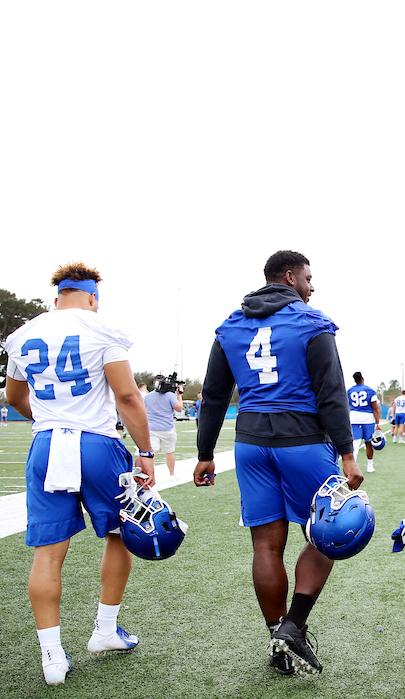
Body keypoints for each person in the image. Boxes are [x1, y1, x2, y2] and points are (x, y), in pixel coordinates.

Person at [195, 249, 361, 676]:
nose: (312, 286)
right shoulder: (311, 322)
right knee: (328, 535)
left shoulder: (230, 326)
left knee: (265, 545)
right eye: (308, 277)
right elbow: (331, 393)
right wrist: (346, 451)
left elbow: (214, 396)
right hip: (302, 440)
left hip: (250, 443)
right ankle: (293, 627)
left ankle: (277, 640)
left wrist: (205, 455)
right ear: (290, 277)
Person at [3, 262, 156, 685]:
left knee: (48, 552)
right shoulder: (102, 329)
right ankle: (105, 631)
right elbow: (126, 394)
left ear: (56, 298)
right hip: (97, 443)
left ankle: (51, 657)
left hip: (47, 443)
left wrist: (52, 420)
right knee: (119, 533)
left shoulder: (23, 334)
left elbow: (15, 397)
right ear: (93, 297)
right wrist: (145, 451)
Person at [144, 376, 184, 479]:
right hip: (167, 428)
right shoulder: (169, 395)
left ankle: (149, 474)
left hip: (151, 428)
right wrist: (179, 396)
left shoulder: (148, 396)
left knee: (152, 452)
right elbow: (179, 408)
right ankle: (172, 474)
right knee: (169, 452)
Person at [347, 372, 381, 473]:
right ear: (362, 378)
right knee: (368, 442)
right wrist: (378, 423)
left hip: (354, 417)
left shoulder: (349, 391)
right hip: (368, 418)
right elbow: (375, 408)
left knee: (355, 443)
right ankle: (370, 466)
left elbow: (346, 405)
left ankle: (353, 467)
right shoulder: (370, 390)